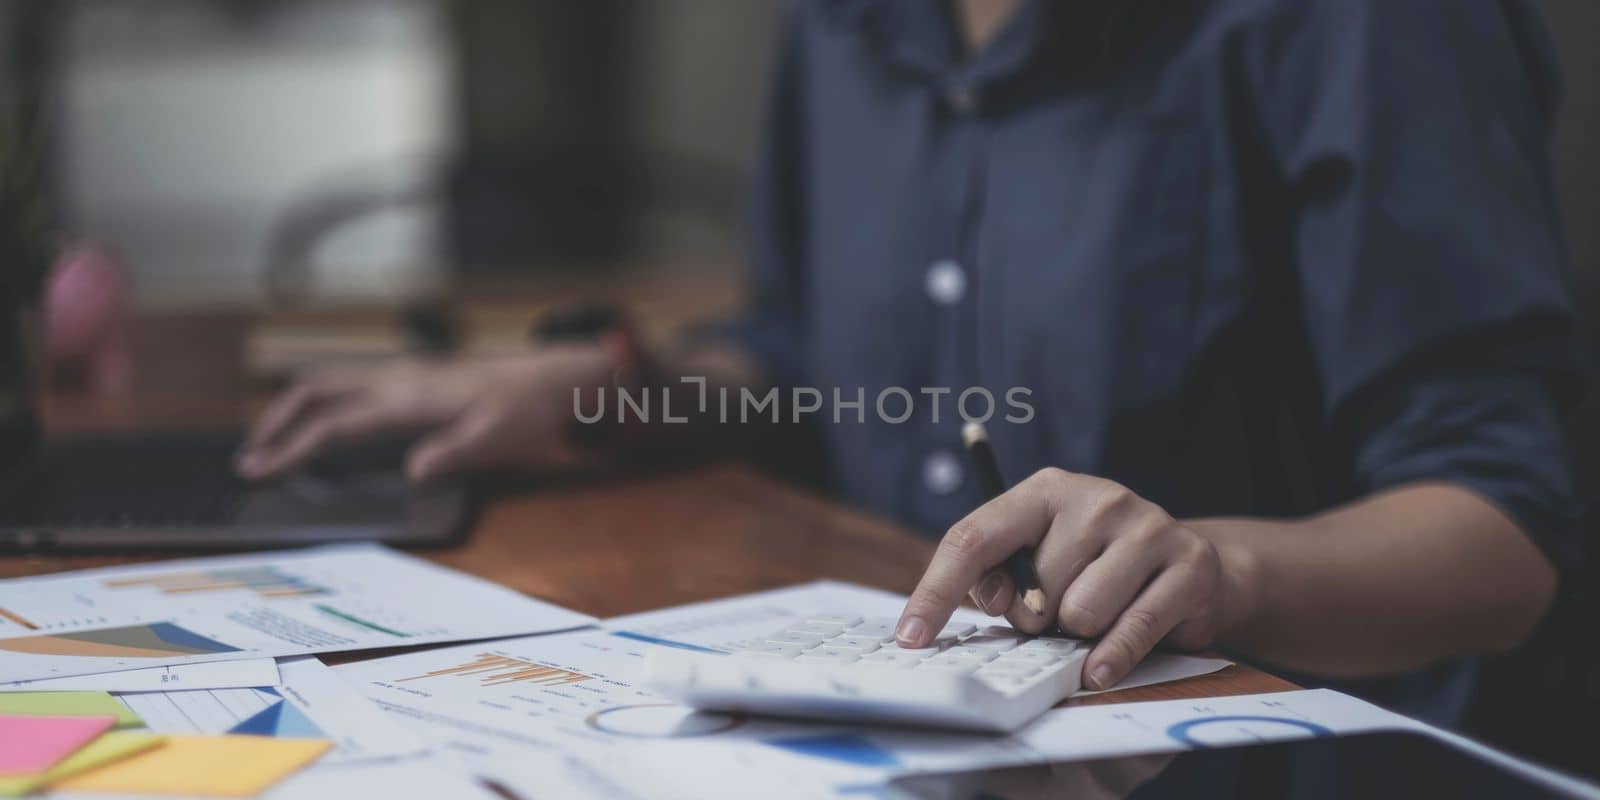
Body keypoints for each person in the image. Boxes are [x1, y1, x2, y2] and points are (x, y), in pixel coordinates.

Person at [236, 0, 1579, 725]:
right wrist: (609, 388)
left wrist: (1215, 570)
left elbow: (1505, 540)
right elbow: (809, 361)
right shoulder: (846, 24)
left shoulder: (1371, 26)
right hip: (883, 727)